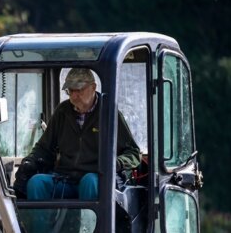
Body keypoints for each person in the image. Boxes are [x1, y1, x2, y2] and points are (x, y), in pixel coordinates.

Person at [13, 67, 141, 201]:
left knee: (89, 182)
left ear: (93, 87)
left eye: (78, 90)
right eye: (70, 91)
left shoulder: (109, 113)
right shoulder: (62, 112)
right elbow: (44, 147)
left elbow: (133, 153)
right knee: (37, 183)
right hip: (65, 178)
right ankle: (39, 222)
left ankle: (90, 222)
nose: (73, 96)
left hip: (95, 177)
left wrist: (116, 162)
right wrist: (30, 161)